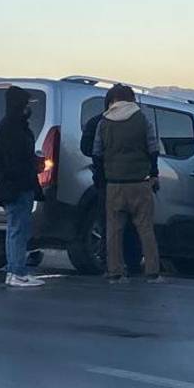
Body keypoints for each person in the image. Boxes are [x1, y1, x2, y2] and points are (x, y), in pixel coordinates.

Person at [92, 84, 163, 283]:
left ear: (113, 99)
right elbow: (153, 148)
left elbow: (97, 153)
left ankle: (115, 272)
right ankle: (152, 272)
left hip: (114, 184)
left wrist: (102, 178)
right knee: (145, 229)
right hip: (140, 183)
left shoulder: (103, 122)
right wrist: (153, 173)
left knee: (113, 231)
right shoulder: (142, 119)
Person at [81, 93, 143, 275]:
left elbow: (89, 150)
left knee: (111, 224)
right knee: (124, 224)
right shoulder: (131, 123)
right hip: (122, 180)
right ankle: (123, 263)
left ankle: (113, 263)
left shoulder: (98, 122)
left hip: (109, 180)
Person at [0, 86, 44, 288]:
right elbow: (15, 161)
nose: (29, 108)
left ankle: (14, 271)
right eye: (27, 104)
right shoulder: (11, 128)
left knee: (16, 229)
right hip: (16, 188)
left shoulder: (12, 126)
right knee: (18, 230)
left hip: (16, 186)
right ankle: (17, 272)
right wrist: (33, 165)